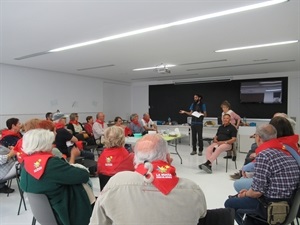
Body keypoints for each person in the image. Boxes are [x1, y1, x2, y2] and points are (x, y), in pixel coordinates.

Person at [89, 134, 207, 225]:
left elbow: (97, 222)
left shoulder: (117, 183)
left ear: (134, 160)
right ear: (168, 158)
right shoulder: (192, 189)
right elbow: (202, 215)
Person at [224, 124, 300, 225]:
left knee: (229, 203)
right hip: (290, 205)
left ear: (258, 138)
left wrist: (245, 194)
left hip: (271, 206)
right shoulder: (285, 151)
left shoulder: (264, 155)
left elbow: (256, 192)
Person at [20, 129, 93, 225]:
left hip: (45, 214)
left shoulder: (25, 163)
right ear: (44, 144)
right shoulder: (50, 163)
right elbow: (83, 176)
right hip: (64, 213)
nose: (53, 145)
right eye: (51, 142)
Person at [233, 116, 299, 193]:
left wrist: (245, 168)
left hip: (279, 186)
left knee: (239, 183)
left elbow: (261, 163)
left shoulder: (278, 146)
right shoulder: (292, 143)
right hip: (291, 182)